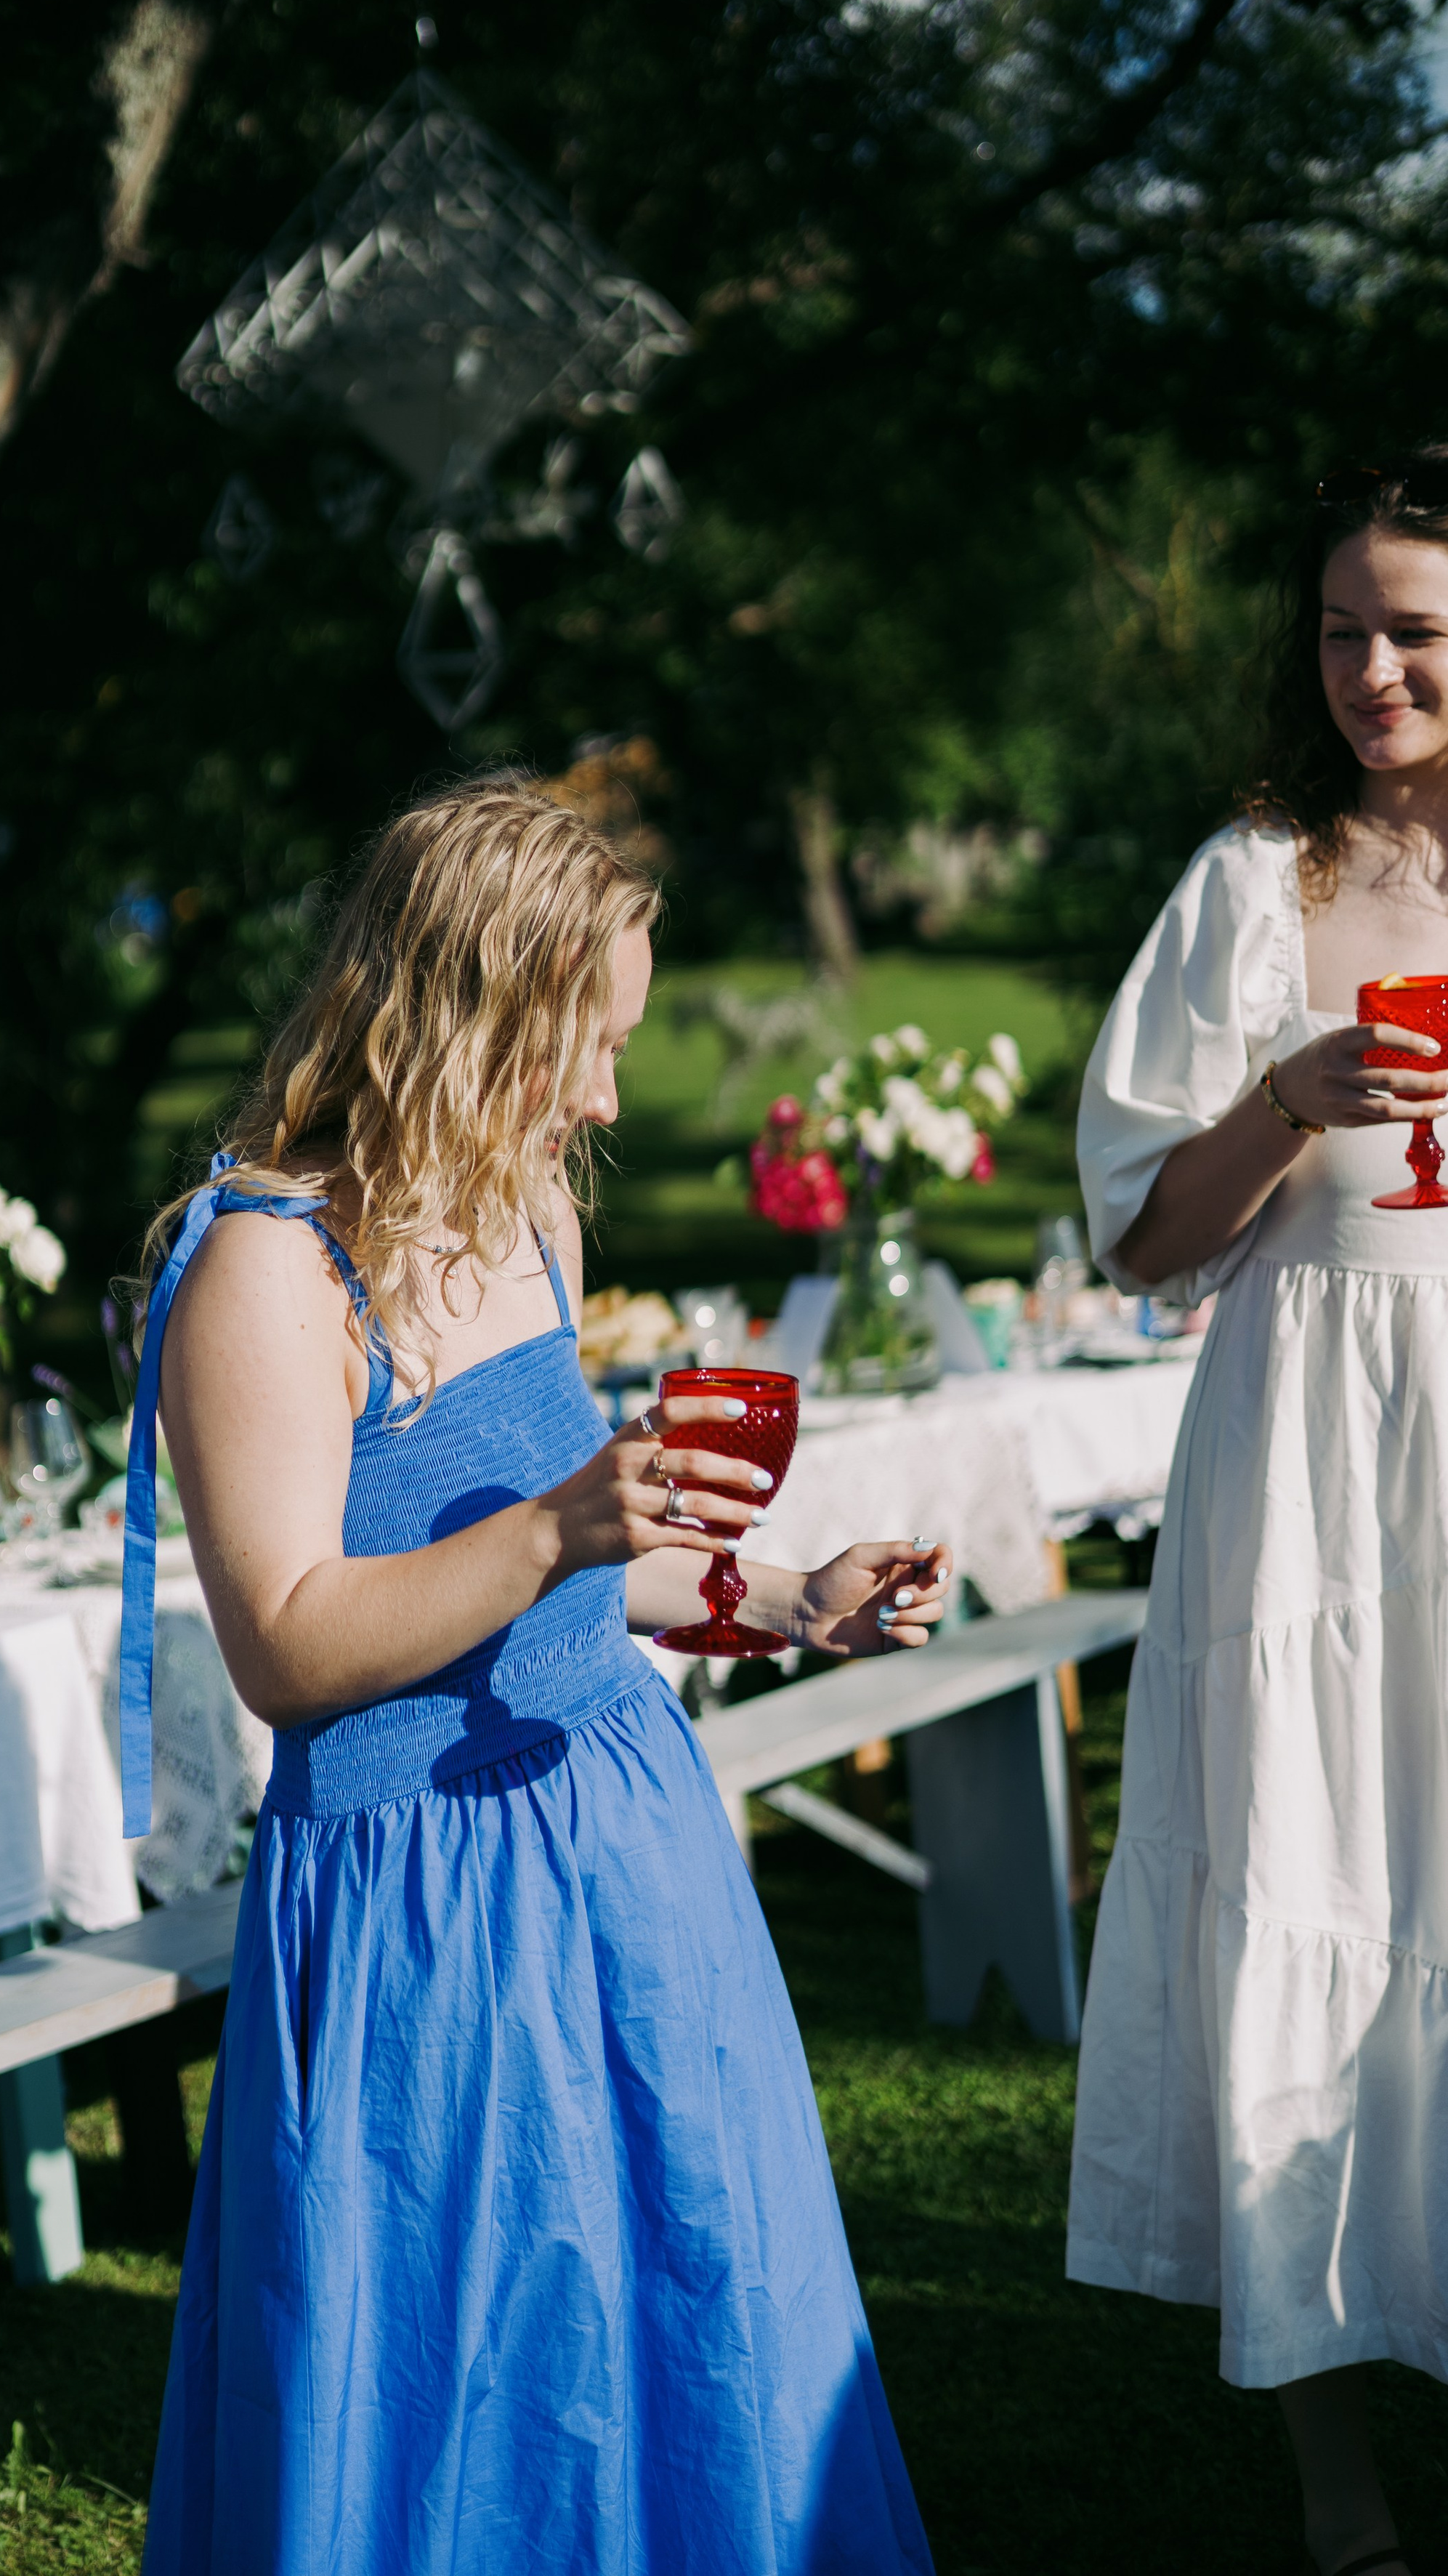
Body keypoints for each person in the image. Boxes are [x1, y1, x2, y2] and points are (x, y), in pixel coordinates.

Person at [118, 775, 948, 2576]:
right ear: (458, 1009)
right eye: (583, 1046)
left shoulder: (534, 1221)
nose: (602, 1097)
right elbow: (285, 1644)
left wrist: (785, 1594)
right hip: (421, 1904)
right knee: (464, 2386)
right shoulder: (266, 1270)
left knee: (693, 2318)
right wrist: (559, 1527)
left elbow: (579, 1576)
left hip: (619, 1843)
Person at [1067, 450, 1448, 2576]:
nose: (1370, 669)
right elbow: (1141, 1241)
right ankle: (1340, 2485)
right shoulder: (1253, 880)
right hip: (1305, 1446)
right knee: (1307, 1866)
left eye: (1414, 629)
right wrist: (1281, 1103)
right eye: (1340, 628)